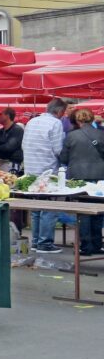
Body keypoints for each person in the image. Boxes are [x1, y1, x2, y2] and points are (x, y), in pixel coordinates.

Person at [23, 98, 69, 254]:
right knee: (50, 207)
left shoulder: (32, 122)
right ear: (60, 112)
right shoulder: (55, 124)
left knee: (36, 208)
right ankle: (45, 243)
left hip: (30, 169)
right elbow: (58, 149)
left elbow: (23, 145)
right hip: (47, 170)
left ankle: (36, 241)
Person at [60, 109, 104, 255]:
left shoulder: (71, 136)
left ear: (78, 120)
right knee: (98, 211)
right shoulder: (101, 134)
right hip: (100, 177)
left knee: (83, 212)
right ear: (92, 119)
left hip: (78, 178)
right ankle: (97, 244)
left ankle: (86, 246)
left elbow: (63, 159)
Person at [0, 108, 23, 172]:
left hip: (11, 164)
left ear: (8, 116)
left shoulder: (17, 130)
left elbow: (8, 147)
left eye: (1, 114)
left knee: (8, 181)